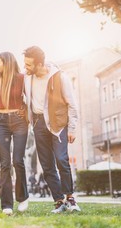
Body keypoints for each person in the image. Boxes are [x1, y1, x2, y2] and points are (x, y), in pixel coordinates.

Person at [23, 46, 81, 213]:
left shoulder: (59, 77)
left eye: (29, 65)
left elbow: (72, 104)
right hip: (39, 124)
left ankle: (70, 199)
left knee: (61, 159)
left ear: (40, 64)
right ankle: (59, 201)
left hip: (58, 124)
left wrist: (72, 129)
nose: (25, 68)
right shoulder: (28, 78)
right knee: (47, 165)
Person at [0, 52, 29, 216]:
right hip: (1, 121)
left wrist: (26, 112)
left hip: (19, 120)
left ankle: (22, 197)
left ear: (6, 63)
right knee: (5, 163)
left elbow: (32, 98)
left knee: (17, 160)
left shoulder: (22, 78)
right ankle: (6, 204)